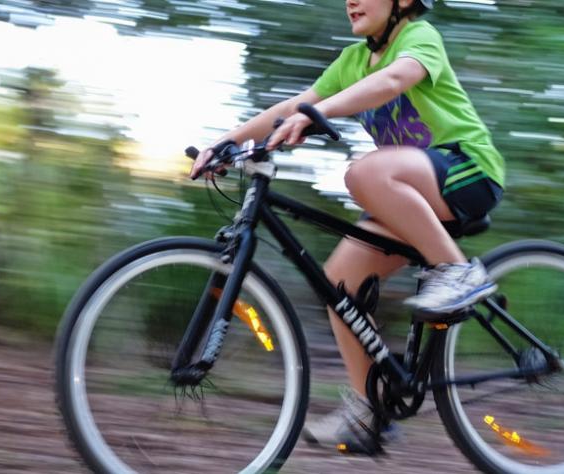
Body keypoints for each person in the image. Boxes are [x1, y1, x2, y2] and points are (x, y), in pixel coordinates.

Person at [189, 0, 506, 453]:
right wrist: (226, 142)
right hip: (413, 195)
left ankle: (456, 273)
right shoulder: (353, 62)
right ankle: (369, 410)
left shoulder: (418, 37)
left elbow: (394, 80)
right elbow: (293, 105)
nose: (350, 1)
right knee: (340, 283)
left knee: (365, 173)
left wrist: (319, 114)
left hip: (468, 171)